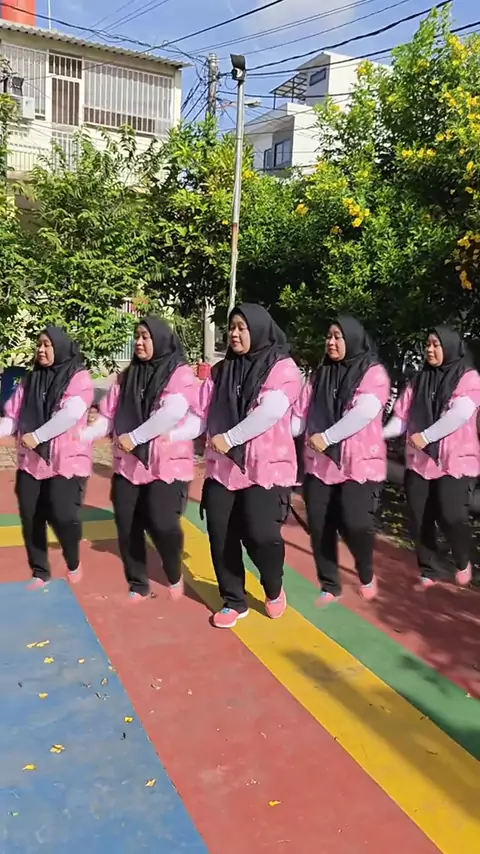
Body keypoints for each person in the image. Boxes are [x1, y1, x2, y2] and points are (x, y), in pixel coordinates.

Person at [197, 303, 302, 629]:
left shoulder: (283, 369)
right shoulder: (221, 371)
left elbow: (270, 410)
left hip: (265, 469)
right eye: (232, 328)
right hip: (223, 470)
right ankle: (234, 600)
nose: (235, 334)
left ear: (258, 329)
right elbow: (200, 413)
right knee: (221, 534)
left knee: (261, 535)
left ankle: (273, 586)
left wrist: (230, 438)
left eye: (242, 327)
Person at [82, 316, 199, 603]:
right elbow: (108, 416)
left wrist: (134, 438)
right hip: (129, 466)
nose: (139, 342)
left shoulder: (179, 374)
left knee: (162, 524)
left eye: (145, 337)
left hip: (166, 465)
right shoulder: (126, 377)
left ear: (159, 339)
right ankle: (138, 582)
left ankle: (173, 571)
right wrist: (82, 435)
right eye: (137, 336)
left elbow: (171, 412)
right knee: (127, 525)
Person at [293, 316, 390, 605]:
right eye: (329, 337)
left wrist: (328, 437)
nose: (331, 342)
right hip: (319, 466)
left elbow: (364, 411)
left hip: (357, 465)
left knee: (354, 523)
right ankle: (330, 584)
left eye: (338, 337)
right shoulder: (319, 376)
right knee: (320, 525)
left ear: (353, 339)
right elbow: (299, 416)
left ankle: (365, 571)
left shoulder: (373, 373)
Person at [384, 326, 480, 588]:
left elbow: (459, 414)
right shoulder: (419, 380)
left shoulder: (468, 378)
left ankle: (462, 560)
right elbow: (401, 419)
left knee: (451, 515)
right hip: (420, 462)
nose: (430, 349)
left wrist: (426, 437)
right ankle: (429, 568)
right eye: (428, 344)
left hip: (455, 461)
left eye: (436, 345)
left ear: (449, 346)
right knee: (419, 516)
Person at [0, 326, 93, 588]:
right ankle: (40, 571)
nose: (41, 350)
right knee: (31, 518)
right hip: (32, 463)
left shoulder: (79, 378)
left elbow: (71, 413)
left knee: (62, 515)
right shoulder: (30, 381)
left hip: (67, 462)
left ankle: (73, 561)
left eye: (47, 345)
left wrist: (38, 436)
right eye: (39, 345)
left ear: (59, 347)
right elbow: (13, 419)